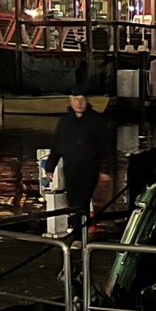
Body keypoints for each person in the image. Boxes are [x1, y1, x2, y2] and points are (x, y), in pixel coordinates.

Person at [44, 87, 112, 228]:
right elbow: (57, 144)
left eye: (82, 99)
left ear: (87, 101)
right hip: (71, 167)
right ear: (70, 100)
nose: (79, 103)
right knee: (73, 201)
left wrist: (105, 169)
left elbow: (107, 146)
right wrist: (50, 166)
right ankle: (78, 231)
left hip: (90, 168)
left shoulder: (96, 120)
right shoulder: (65, 121)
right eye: (75, 99)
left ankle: (80, 233)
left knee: (83, 201)